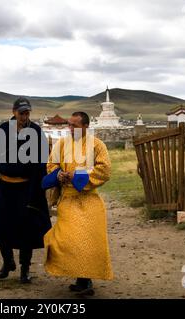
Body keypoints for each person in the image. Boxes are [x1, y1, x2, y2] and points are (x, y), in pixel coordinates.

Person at [0, 97, 52, 284]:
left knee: (26, 230)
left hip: (26, 188)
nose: (25, 116)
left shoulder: (36, 131)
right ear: (14, 111)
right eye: (21, 112)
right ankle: (7, 262)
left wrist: (39, 189)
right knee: (2, 226)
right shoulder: (4, 130)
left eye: (27, 113)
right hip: (5, 188)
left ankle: (25, 270)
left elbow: (41, 163)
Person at [41, 112, 114, 296]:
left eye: (75, 125)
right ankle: (80, 277)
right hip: (68, 200)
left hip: (89, 200)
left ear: (86, 127)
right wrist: (59, 174)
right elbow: (51, 165)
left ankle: (85, 281)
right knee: (66, 240)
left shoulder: (97, 145)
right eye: (69, 125)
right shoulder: (62, 144)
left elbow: (104, 170)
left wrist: (78, 176)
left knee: (86, 243)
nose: (70, 129)